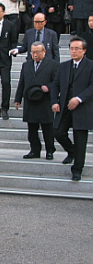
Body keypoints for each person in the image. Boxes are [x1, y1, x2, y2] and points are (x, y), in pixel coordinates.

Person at [50, 36, 93, 181]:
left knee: (80, 139)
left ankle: (77, 169)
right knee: (57, 131)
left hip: (82, 108)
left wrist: (79, 99)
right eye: (72, 48)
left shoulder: (90, 65)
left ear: (84, 51)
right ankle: (72, 151)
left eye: (77, 49)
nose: (74, 51)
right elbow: (55, 84)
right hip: (64, 107)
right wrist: (54, 101)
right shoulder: (64, 66)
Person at [14, 42, 59, 160]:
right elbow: (22, 82)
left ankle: (50, 150)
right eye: (33, 52)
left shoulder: (53, 65)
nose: (35, 54)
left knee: (47, 128)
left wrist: (48, 87)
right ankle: (34, 150)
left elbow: (57, 82)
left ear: (44, 52)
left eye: (37, 52)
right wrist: (17, 99)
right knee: (32, 128)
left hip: (45, 100)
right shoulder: (26, 65)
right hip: (30, 100)